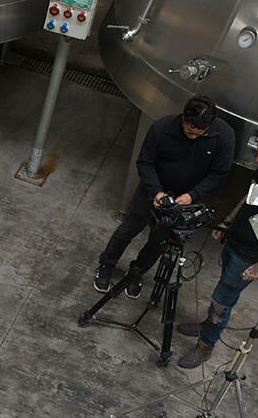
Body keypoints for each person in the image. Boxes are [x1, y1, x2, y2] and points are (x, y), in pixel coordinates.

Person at [177, 130, 258, 369]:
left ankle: (205, 345)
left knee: (222, 300)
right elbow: (250, 196)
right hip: (235, 240)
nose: (257, 160)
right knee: (222, 293)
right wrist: (227, 221)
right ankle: (208, 325)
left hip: (249, 256)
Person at [94, 95, 233, 298]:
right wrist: (156, 191)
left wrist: (192, 196)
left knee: (159, 242)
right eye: (188, 131)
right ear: (183, 118)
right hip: (152, 192)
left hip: (184, 201)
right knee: (128, 229)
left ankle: (137, 273)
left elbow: (219, 174)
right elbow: (145, 162)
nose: (192, 136)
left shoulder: (224, 136)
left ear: (210, 125)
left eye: (198, 133)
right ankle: (106, 265)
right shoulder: (162, 128)